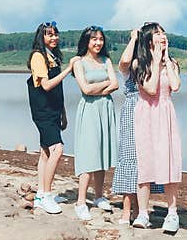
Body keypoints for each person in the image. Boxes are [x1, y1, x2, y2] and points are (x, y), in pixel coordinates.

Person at [132, 22, 182, 232]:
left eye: (163, 32)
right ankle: (143, 213)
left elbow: (176, 85)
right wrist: (154, 59)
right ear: (148, 40)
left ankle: (172, 213)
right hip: (146, 115)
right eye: (157, 34)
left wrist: (166, 58)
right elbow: (151, 89)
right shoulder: (138, 64)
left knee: (169, 162)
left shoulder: (171, 63)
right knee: (146, 164)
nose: (162, 36)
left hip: (165, 113)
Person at [112, 28, 164, 226]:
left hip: (152, 109)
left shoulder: (156, 61)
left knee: (146, 160)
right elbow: (123, 63)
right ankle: (127, 210)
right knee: (129, 157)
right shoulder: (134, 63)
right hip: (133, 108)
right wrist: (134, 39)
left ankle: (139, 209)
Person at [26, 21, 77, 215]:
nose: (54, 38)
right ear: (41, 37)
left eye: (56, 34)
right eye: (49, 35)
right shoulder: (38, 57)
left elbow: (57, 89)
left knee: (45, 152)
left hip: (54, 110)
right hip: (43, 111)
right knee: (57, 149)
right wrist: (69, 69)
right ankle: (46, 195)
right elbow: (46, 86)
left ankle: (40, 194)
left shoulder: (53, 56)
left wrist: (63, 112)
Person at [71, 25, 118, 221]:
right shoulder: (79, 62)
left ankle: (99, 195)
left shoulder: (106, 60)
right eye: (94, 39)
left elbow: (115, 84)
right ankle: (81, 202)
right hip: (89, 110)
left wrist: (97, 87)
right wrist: (103, 86)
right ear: (86, 42)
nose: (98, 43)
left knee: (102, 153)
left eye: (100, 39)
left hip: (105, 109)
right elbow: (85, 90)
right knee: (89, 154)